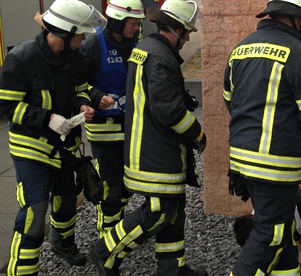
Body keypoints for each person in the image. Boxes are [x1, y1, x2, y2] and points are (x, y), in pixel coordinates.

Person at [89, 0, 208, 275]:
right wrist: (198, 134)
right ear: (175, 30)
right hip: (155, 153)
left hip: (150, 147)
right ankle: (106, 250)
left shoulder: (145, 49)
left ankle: (172, 268)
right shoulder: (161, 56)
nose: (188, 37)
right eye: (187, 32)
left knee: (175, 210)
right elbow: (169, 110)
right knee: (160, 210)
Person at [222, 0, 301, 274]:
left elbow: (229, 99)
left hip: (241, 159)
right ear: (297, 20)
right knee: (271, 232)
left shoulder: (240, 49)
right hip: (276, 164)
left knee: (283, 229)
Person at [0, 0, 106, 274]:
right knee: (35, 210)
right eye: (81, 33)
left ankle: (62, 243)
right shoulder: (21, 58)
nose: (84, 38)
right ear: (65, 32)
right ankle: (21, 270)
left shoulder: (75, 58)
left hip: (64, 146)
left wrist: (84, 105)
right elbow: (6, 106)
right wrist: (46, 118)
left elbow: (82, 89)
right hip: (31, 149)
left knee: (66, 199)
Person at [79, 0, 145, 237]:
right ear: (117, 21)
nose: (136, 27)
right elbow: (76, 84)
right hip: (104, 130)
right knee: (110, 187)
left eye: (138, 23)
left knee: (130, 182)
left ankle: (119, 226)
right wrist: (95, 96)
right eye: (132, 23)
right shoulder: (92, 46)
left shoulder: (133, 43)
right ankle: (107, 239)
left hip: (130, 126)